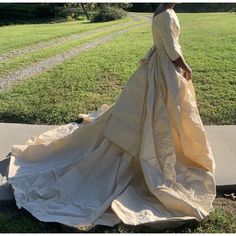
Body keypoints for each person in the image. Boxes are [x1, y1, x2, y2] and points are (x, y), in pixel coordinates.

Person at [7, 3, 216, 230]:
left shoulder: (160, 10)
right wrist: (186, 67)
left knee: (157, 114)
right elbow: (172, 50)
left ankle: (161, 147)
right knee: (156, 114)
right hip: (163, 67)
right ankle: (150, 155)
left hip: (157, 65)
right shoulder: (165, 14)